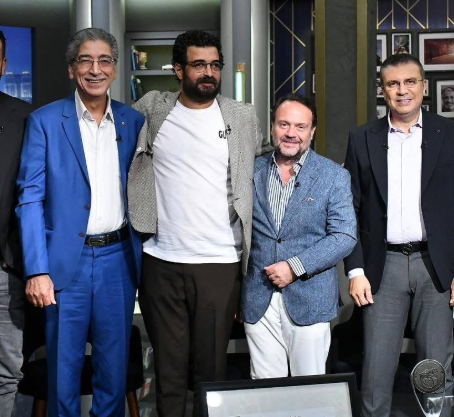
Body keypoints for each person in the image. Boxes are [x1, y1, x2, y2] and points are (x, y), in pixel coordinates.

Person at [127, 29, 271, 416]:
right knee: (169, 372)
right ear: (178, 70)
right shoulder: (151, 109)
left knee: (211, 371)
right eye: (199, 65)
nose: (209, 72)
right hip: (160, 260)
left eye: (215, 65)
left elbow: (265, 161)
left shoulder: (241, 116)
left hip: (220, 263)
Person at [16, 28, 145, 417]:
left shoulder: (132, 121)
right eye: (85, 60)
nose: (95, 69)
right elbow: (30, 199)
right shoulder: (44, 121)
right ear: (72, 69)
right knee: (63, 374)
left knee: (113, 375)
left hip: (118, 261)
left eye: (104, 60)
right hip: (64, 264)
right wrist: (37, 269)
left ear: (115, 69)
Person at [344, 53, 454, 417]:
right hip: (382, 268)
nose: (402, 90)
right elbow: (349, 211)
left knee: (435, 370)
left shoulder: (451, 135)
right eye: (393, 83)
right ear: (383, 90)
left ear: (423, 86)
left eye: (409, 82)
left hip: (435, 267)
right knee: (375, 371)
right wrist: (355, 270)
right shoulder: (361, 139)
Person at [241, 94, 356, 379]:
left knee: (309, 390)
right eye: (284, 124)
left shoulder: (333, 175)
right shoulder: (250, 170)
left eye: (300, 126)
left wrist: (294, 266)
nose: (291, 133)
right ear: (272, 127)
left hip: (310, 298)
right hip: (258, 298)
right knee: (265, 391)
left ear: (312, 131)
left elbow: (344, 235)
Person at [0, 29, 33, 417]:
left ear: (4, 64)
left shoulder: (25, 118)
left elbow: (34, 194)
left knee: (7, 373)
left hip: (4, 270)